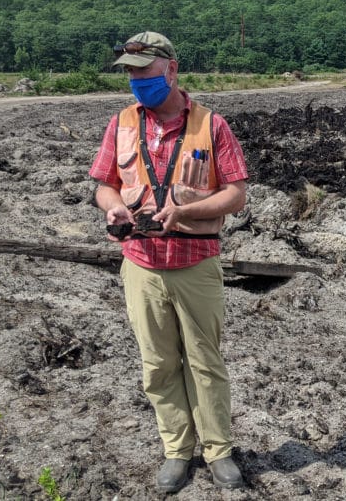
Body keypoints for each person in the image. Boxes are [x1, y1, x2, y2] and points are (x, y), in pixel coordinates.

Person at [89, 31, 248, 493]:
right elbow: (103, 183)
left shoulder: (211, 125)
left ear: (171, 71)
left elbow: (236, 195)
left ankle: (218, 452)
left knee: (205, 362)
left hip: (195, 263)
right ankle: (177, 451)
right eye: (130, 73)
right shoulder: (120, 124)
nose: (136, 81)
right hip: (140, 264)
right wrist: (112, 206)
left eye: (143, 72)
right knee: (157, 364)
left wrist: (186, 212)